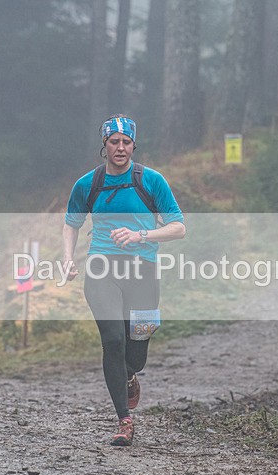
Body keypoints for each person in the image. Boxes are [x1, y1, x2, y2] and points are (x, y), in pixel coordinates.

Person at [62, 115, 185, 446]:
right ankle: (124, 420)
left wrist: (140, 234)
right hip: (101, 268)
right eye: (113, 142)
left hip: (143, 270)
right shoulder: (88, 184)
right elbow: (71, 223)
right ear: (104, 146)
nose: (120, 147)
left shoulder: (151, 180)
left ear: (133, 145)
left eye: (126, 142)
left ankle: (130, 374)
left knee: (136, 353)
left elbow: (178, 227)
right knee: (113, 340)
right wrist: (68, 259)